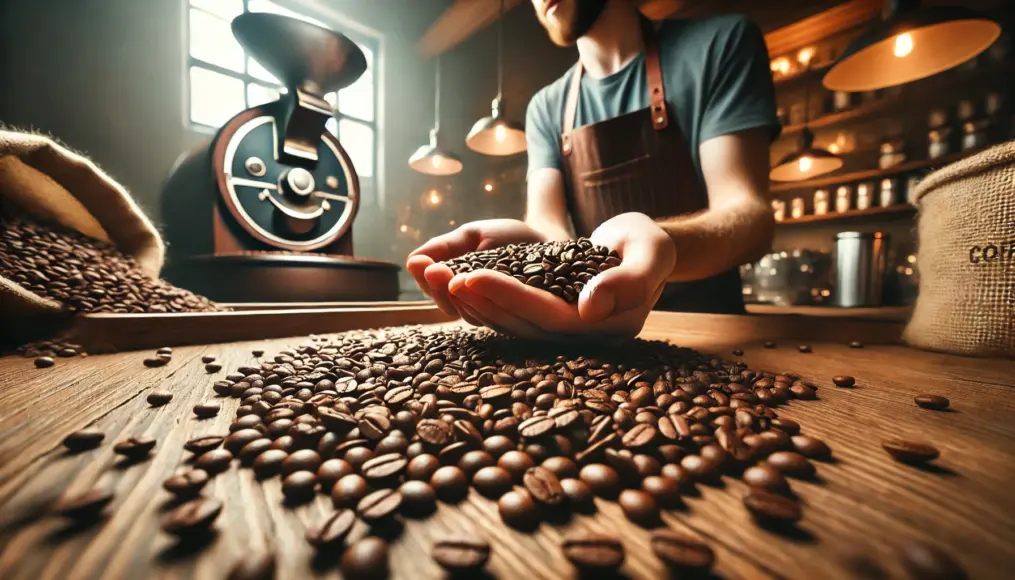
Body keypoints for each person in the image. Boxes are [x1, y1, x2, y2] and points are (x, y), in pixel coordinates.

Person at [407, 0, 779, 338]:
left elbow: (749, 214)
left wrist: (660, 247)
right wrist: (532, 253)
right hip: (590, 326)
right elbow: (547, 229)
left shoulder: (721, 44)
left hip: (716, 331)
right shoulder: (545, 107)